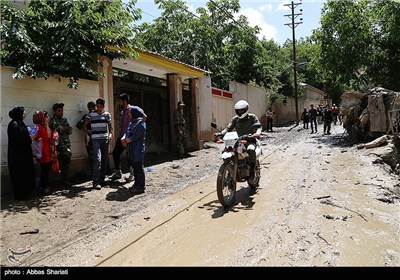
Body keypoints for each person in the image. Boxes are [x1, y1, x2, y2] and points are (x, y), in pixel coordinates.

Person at [215, 100, 262, 179]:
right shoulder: (235, 119)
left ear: (246, 109)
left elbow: (259, 127)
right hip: (237, 140)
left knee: (250, 149)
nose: (240, 112)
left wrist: (257, 133)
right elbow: (228, 128)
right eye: (238, 110)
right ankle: (229, 169)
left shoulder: (252, 117)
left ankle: (252, 171)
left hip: (249, 139)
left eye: (242, 110)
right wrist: (221, 133)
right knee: (226, 151)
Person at [110, 93, 146, 182]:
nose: (119, 103)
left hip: (130, 137)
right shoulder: (123, 111)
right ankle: (118, 172)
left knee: (130, 156)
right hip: (123, 136)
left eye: (120, 101)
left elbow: (144, 117)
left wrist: (137, 129)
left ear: (125, 101)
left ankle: (132, 174)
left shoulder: (133, 109)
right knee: (115, 153)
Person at [7, 107, 35, 200]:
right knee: (18, 174)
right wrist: (29, 138)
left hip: (24, 154)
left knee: (25, 173)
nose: (24, 115)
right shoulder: (14, 125)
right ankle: (20, 195)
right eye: (23, 114)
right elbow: (18, 139)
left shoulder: (20, 123)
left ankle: (26, 193)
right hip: (17, 155)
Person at [84, 98, 112, 189]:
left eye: (100, 106)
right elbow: (84, 125)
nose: (98, 108)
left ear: (103, 106)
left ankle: (102, 180)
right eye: (97, 106)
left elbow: (110, 127)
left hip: (105, 140)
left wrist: (110, 135)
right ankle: (95, 182)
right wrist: (88, 134)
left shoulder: (107, 115)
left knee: (104, 160)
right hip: (95, 140)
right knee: (97, 160)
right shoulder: (91, 114)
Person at [121, 106, 147, 194]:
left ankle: (141, 186)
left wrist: (130, 139)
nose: (129, 114)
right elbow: (127, 132)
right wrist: (124, 138)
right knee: (135, 167)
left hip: (138, 149)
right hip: (131, 149)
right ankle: (136, 184)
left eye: (130, 113)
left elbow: (139, 134)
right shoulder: (132, 122)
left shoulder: (141, 123)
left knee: (139, 167)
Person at [49, 103, 73, 187]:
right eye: (59, 111)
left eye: (62, 110)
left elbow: (70, 130)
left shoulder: (64, 120)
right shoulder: (51, 119)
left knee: (66, 162)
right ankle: (50, 182)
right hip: (56, 146)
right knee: (53, 163)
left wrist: (61, 128)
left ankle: (64, 179)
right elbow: (54, 127)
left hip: (65, 145)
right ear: (54, 111)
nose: (61, 112)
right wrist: (62, 128)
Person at [33, 110, 53, 195]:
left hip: (47, 150)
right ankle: (44, 187)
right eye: (47, 117)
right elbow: (33, 137)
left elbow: (49, 136)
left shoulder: (45, 126)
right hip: (42, 151)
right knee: (44, 170)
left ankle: (46, 185)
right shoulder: (38, 127)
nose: (48, 118)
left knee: (47, 169)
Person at [77, 101, 96, 177]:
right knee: (91, 156)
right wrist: (87, 130)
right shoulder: (86, 116)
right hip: (90, 139)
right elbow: (78, 125)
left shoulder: (97, 115)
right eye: (90, 107)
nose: (92, 108)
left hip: (98, 138)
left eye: (93, 107)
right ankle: (93, 173)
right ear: (88, 108)